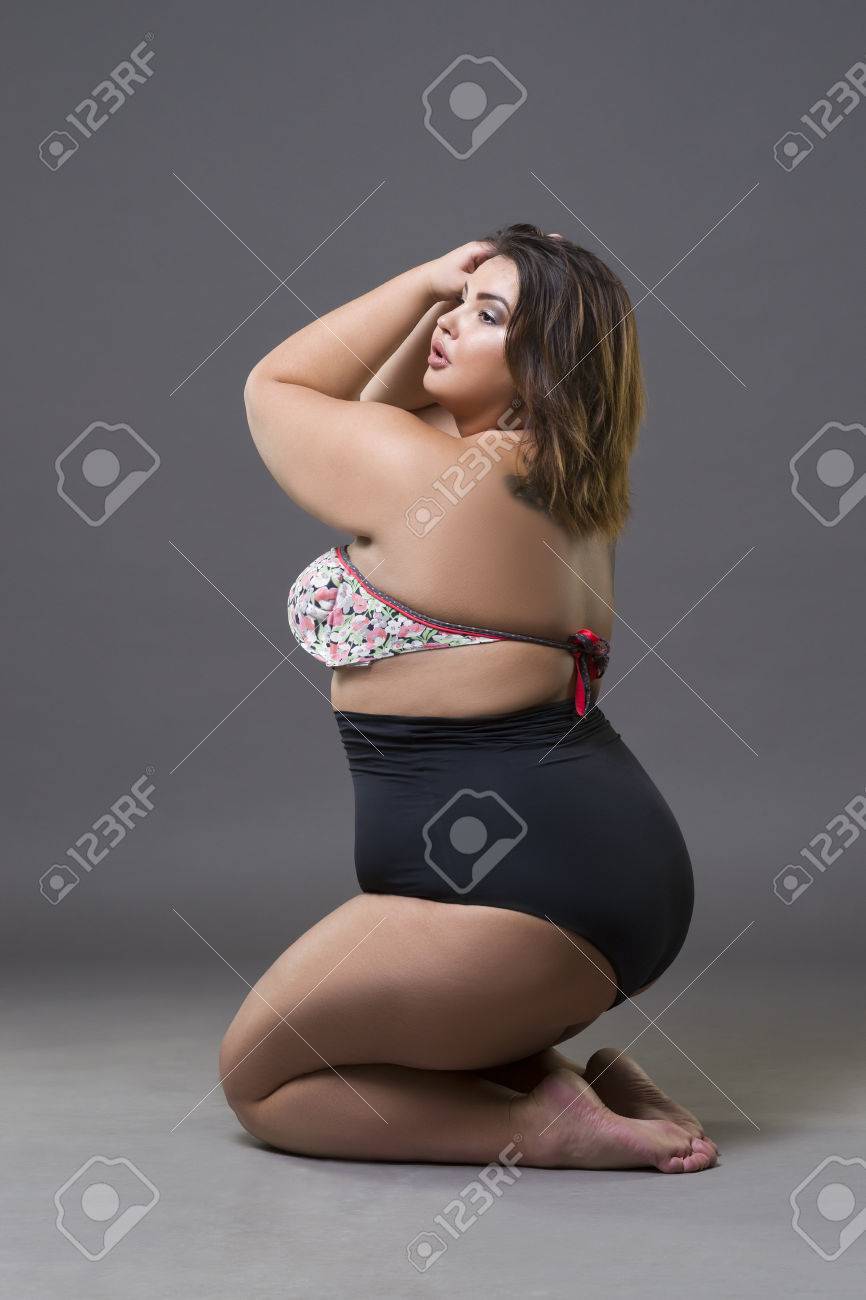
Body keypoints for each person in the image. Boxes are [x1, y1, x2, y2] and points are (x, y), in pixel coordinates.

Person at [218, 224, 719, 1173]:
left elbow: (277, 388)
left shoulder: (431, 473)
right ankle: (555, 1078)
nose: (448, 322)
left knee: (261, 1082)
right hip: (597, 876)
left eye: (487, 317)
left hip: (522, 900)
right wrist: (468, 298)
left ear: (544, 368)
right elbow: (378, 407)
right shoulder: (548, 481)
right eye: (457, 306)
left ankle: (536, 1129)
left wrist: (423, 278)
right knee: (385, 1035)